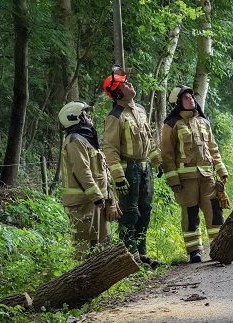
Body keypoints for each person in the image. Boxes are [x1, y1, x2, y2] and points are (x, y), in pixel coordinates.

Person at [102, 66, 162, 268]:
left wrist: (157, 162)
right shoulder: (115, 116)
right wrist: (118, 176)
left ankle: (142, 253)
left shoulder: (140, 111)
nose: (130, 84)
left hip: (145, 168)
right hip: (129, 169)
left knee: (145, 210)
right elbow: (110, 149)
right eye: (125, 84)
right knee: (130, 213)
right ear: (118, 92)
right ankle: (131, 257)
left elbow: (149, 140)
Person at [161, 85, 229, 263]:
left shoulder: (204, 122)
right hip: (186, 180)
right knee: (190, 215)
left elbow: (213, 149)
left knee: (214, 212)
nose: (191, 99)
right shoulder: (171, 125)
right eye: (185, 97)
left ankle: (218, 246)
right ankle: (194, 251)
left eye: (191, 96)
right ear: (178, 103)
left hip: (207, 177)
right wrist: (173, 179)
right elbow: (167, 155)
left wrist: (221, 170)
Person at [58, 101, 111, 260]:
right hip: (82, 203)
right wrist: (97, 196)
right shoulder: (75, 141)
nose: (89, 116)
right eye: (84, 114)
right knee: (84, 246)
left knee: (103, 243)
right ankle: (81, 281)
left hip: (95, 201)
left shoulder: (86, 139)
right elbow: (82, 172)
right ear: (74, 118)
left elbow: (102, 172)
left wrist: (109, 197)